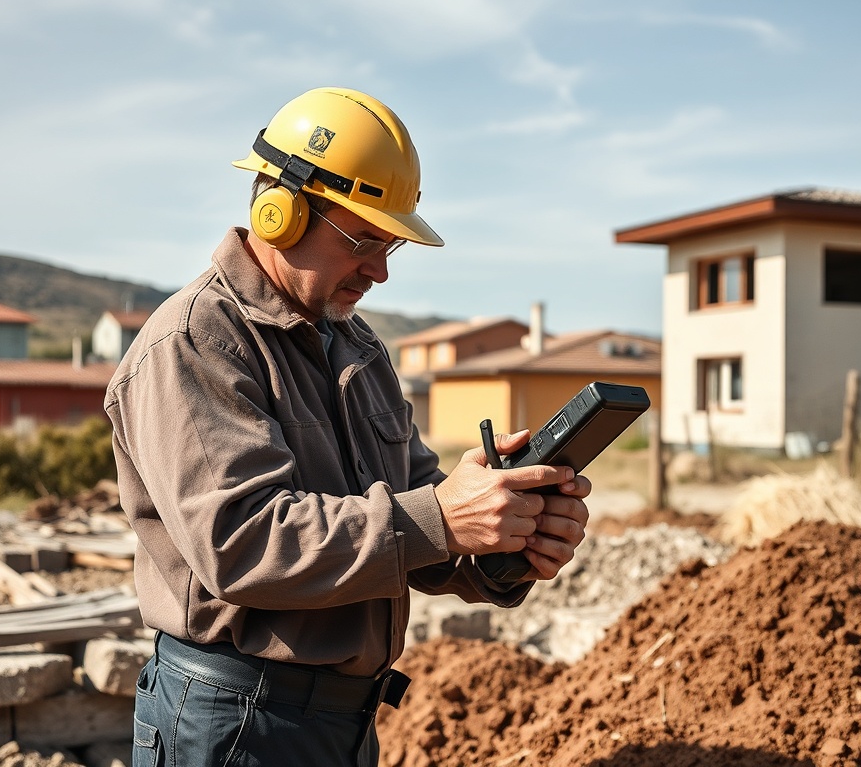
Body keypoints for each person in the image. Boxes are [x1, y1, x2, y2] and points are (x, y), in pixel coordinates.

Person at [105, 86, 591, 767]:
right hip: (235, 726)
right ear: (281, 210)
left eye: (391, 246)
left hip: (340, 724)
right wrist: (442, 518)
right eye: (363, 240)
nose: (380, 271)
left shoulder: (356, 348)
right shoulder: (195, 343)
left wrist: (507, 538)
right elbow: (242, 543)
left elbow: (419, 504)